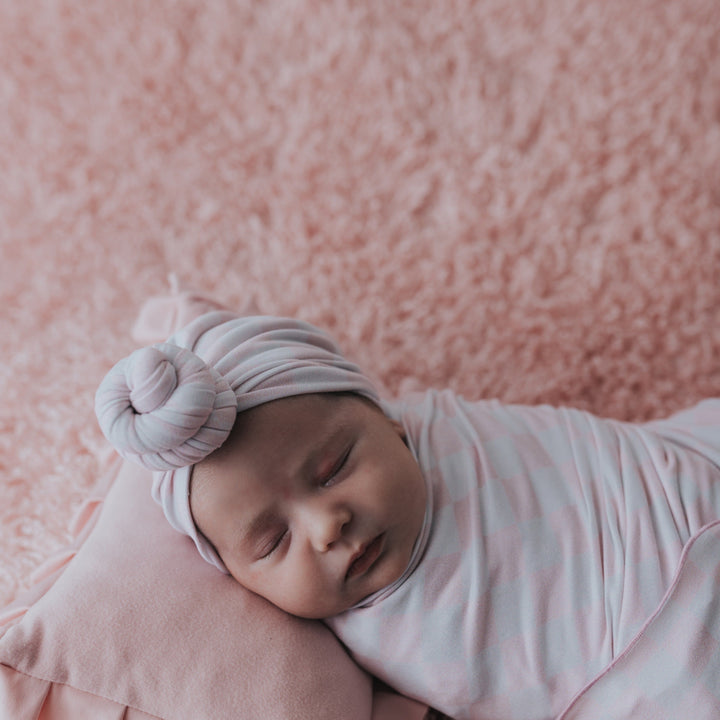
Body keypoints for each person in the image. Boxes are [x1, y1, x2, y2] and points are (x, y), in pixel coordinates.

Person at [95, 308, 720, 720]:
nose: (325, 525)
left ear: (392, 423)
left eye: (334, 466)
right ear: (237, 577)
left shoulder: (444, 433)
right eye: (271, 542)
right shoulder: (339, 654)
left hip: (671, 488)